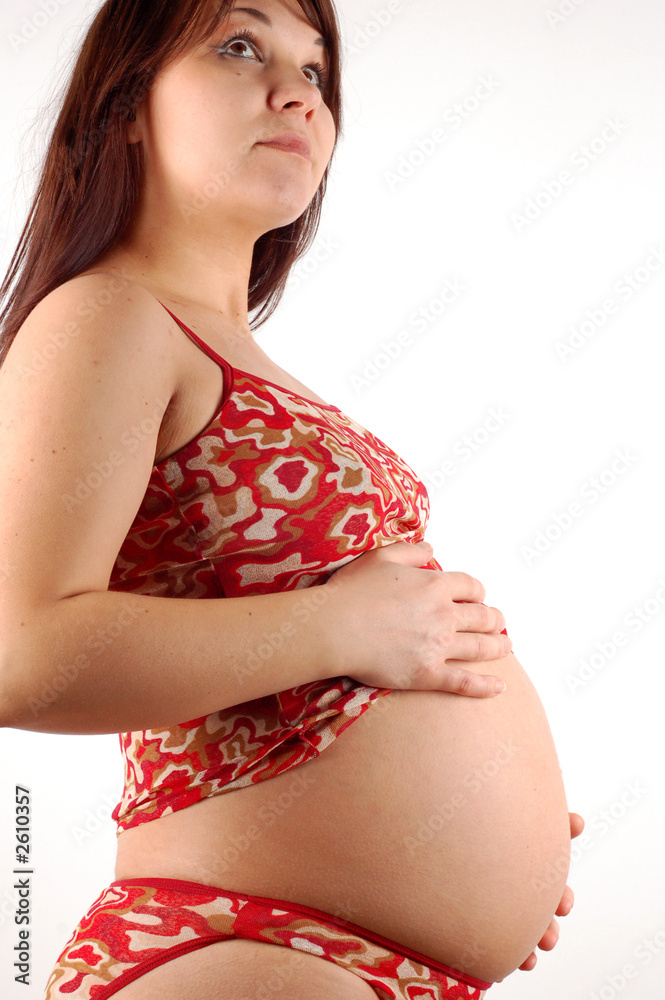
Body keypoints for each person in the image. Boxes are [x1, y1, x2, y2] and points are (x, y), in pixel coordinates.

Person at [0, 1, 583, 997]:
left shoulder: (233, 354)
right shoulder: (107, 315)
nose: (297, 95)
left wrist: (493, 844)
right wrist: (344, 627)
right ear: (125, 105)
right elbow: (20, 656)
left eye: (315, 71)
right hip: (239, 943)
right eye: (240, 47)